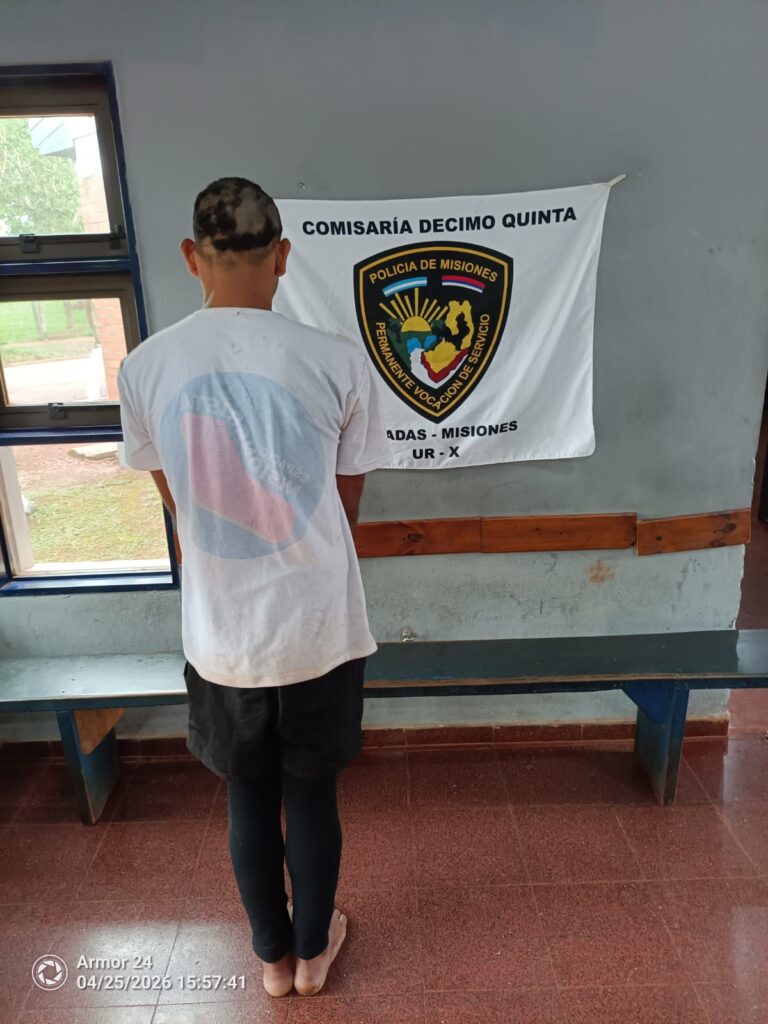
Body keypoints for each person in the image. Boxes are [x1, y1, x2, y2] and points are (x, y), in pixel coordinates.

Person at [117, 177, 391, 998]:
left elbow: (177, 499)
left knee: (247, 796)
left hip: (223, 633)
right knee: (311, 793)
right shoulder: (338, 360)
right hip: (317, 627)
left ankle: (271, 962)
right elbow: (345, 503)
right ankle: (314, 952)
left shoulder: (145, 366)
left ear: (191, 256)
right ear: (283, 256)